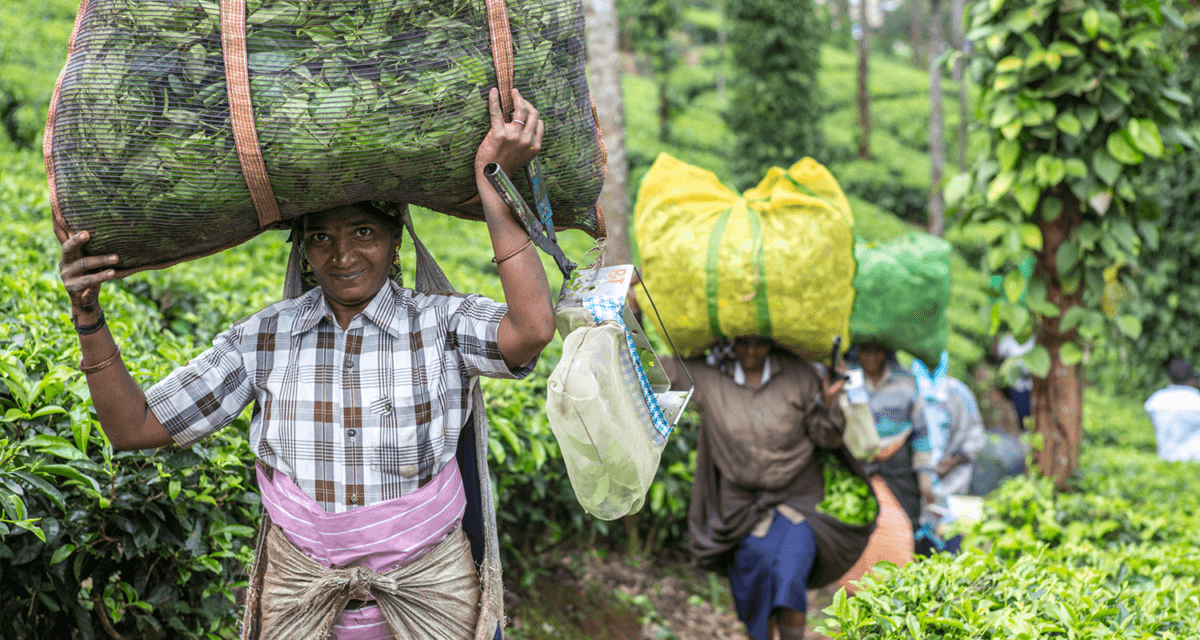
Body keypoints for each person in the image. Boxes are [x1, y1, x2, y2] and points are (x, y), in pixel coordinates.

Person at [59, 88, 554, 640]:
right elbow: (133, 428)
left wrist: (493, 184)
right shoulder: (266, 339)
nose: (341, 256)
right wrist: (88, 318)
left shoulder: (439, 324)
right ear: (304, 254)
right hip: (300, 602)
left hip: (430, 598)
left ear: (396, 242)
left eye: (363, 232)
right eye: (321, 238)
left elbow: (531, 330)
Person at [666, 335, 855, 640]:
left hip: (797, 503)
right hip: (740, 510)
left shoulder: (800, 377)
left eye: (759, 344)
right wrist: (634, 313)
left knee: (790, 578)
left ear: (773, 343)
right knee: (755, 593)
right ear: (730, 342)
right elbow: (656, 371)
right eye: (743, 343)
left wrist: (830, 403)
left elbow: (827, 438)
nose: (751, 352)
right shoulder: (710, 377)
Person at [853, 340, 932, 534]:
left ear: (885, 352)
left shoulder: (906, 381)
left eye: (877, 350)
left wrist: (925, 477)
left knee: (904, 522)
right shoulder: (848, 378)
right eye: (866, 350)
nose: (871, 357)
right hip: (857, 462)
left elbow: (922, 432)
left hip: (899, 464)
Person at [1144, 358, 1200, 462]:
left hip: (1166, 462)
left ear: (1169, 378)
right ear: (1192, 379)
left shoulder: (1156, 401)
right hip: (1196, 464)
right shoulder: (1197, 401)